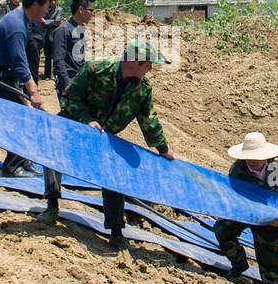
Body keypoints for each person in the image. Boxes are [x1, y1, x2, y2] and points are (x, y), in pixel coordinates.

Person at [35, 38, 175, 252]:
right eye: (148, 64)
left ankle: (116, 231)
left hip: (104, 136)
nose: (150, 69)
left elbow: (148, 119)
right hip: (74, 124)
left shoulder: (142, 88)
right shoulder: (95, 69)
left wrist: (163, 149)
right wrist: (86, 120)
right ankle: (52, 205)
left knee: (114, 176)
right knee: (52, 150)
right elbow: (71, 98)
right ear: (135, 62)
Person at [213, 132, 278, 284]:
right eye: (249, 157)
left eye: (255, 157)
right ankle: (239, 263)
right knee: (222, 229)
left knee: (270, 256)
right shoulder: (238, 170)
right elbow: (238, 200)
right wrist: (259, 216)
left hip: (271, 212)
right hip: (247, 211)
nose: (252, 161)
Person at [0, 0, 48, 176]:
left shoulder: (23, 19)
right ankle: (11, 167)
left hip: (5, 72)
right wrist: (33, 90)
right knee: (20, 118)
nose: (46, 12)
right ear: (35, 5)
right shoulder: (17, 25)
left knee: (19, 114)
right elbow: (19, 60)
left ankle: (23, 160)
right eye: (45, 7)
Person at [51, 0, 94, 103]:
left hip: (78, 80)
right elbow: (58, 60)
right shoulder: (63, 30)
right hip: (68, 81)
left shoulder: (80, 30)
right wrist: (67, 83)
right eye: (90, 10)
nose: (92, 13)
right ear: (80, 9)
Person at [41, 0, 64, 80]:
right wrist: (49, 22)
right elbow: (40, 19)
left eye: (55, 0)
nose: (53, 2)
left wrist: (45, 22)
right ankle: (47, 75)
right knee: (47, 57)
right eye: (52, 1)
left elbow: (57, 22)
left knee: (56, 56)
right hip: (46, 35)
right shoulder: (45, 9)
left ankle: (56, 75)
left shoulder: (59, 10)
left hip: (56, 35)